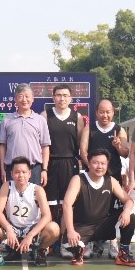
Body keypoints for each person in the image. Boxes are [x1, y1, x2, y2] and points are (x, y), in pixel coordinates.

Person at [62, 148, 135, 267]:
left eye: (103, 163)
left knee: (131, 216)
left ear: (107, 165)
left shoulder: (111, 181)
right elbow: (67, 204)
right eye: (96, 163)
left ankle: (123, 253)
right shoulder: (78, 179)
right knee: (69, 244)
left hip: (103, 226)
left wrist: (127, 211)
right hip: (81, 227)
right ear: (88, 163)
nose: (99, 166)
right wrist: (71, 231)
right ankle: (79, 251)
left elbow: (128, 200)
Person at [0, 156, 60, 267]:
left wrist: (30, 235)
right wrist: (9, 229)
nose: (20, 175)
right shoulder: (7, 186)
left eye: (24, 172)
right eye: (17, 172)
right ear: (11, 174)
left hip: (32, 229)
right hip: (13, 229)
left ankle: (39, 251)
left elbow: (47, 216)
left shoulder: (37, 190)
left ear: (29, 174)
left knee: (54, 228)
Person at [42, 84, 85, 225]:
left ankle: (66, 234)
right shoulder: (45, 115)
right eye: (59, 95)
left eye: (65, 95)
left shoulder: (77, 117)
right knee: (50, 203)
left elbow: (81, 143)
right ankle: (51, 234)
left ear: (71, 98)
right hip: (51, 164)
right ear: (53, 97)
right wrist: (44, 168)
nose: (62, 98)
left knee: (68, 202)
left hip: (70, 164)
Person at [0, 83, 51, 187]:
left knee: (34, 197)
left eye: (27, 96)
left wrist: (44, 169)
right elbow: (2, 146)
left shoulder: (40, 120)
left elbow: (45, 146)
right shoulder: (7, 120)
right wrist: (2, 169)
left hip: (34, 169)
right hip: (12, 169)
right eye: (21, 96)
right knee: (12, 196)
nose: (24, 100)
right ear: (15, 99)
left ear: (32, 99)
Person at [81, 98, 129, 184]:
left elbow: (125, 154)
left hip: (113, 174)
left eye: (108, 112)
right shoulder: (88, 129)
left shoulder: (119, 130)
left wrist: (118, 147)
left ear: (113, 112)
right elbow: (83, 151)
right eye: (102, 112)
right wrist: (91, 166)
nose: (105, 115)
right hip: (93, 175)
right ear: (96, 113)